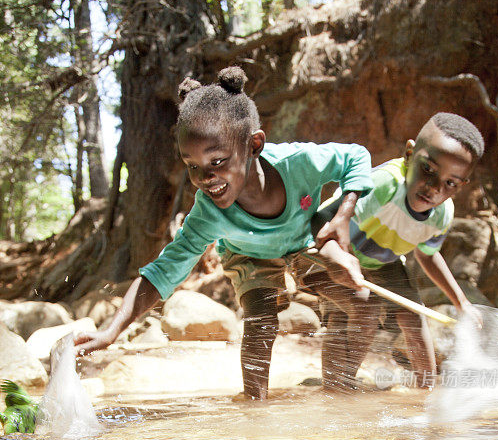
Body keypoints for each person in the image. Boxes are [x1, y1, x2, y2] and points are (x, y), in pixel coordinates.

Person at [74, 66, 374, 399]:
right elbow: (162, 273)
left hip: (305, 238)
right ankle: (254, 407)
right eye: (192, 165)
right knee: (262, 321)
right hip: (249, 254)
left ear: (254, 145)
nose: (204, 177)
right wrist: (111, 331)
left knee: (363, 300)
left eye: (217, 161)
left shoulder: (297, 163)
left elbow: (355, 157)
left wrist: (343, 216)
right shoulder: (208, 213)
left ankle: (339, 388)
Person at [313, 112, 485, 389]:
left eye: (450, 183)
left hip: (381, 262)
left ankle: (426, 395)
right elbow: (320, 220)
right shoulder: (384, 186)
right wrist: (339, 257)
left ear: (461, 187)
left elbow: (427, 255)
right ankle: (336, 392)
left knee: (414, 316)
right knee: (359, 307)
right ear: (409, 154)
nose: (435, 188)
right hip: (326, 249)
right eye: (428, 169)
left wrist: (461, 302)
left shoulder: (442, 214)